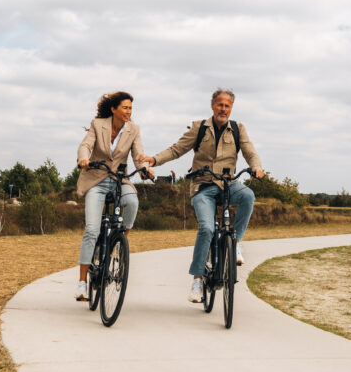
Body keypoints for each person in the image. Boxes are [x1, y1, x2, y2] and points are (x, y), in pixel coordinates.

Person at [143, 88, 265, 303]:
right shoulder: (199, 127)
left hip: (229, 185)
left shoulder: (238, 129)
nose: (223, 109)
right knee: (207, 229)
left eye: (227, 105)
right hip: (203, 187)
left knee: (248, 196)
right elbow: (176, 149)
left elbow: (250, 152)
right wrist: (154, 160)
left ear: (231, 108)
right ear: (212, 106)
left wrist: (256, 168)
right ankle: (197, 280)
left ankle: (236, 242)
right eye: (220, 104)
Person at [74, 91, 146, 302]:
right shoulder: (98, 124)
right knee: (92, 230)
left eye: (131, 108)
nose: (128, 112)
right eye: (125, 107)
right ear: (114, 109)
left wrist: (144, 169)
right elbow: (85, 145)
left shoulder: (134, 129)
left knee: (132, 202)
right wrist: (84, 159)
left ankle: (119, 239)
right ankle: (81, 284)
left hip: (119, 180)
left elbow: (138, 154)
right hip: (95, 179)